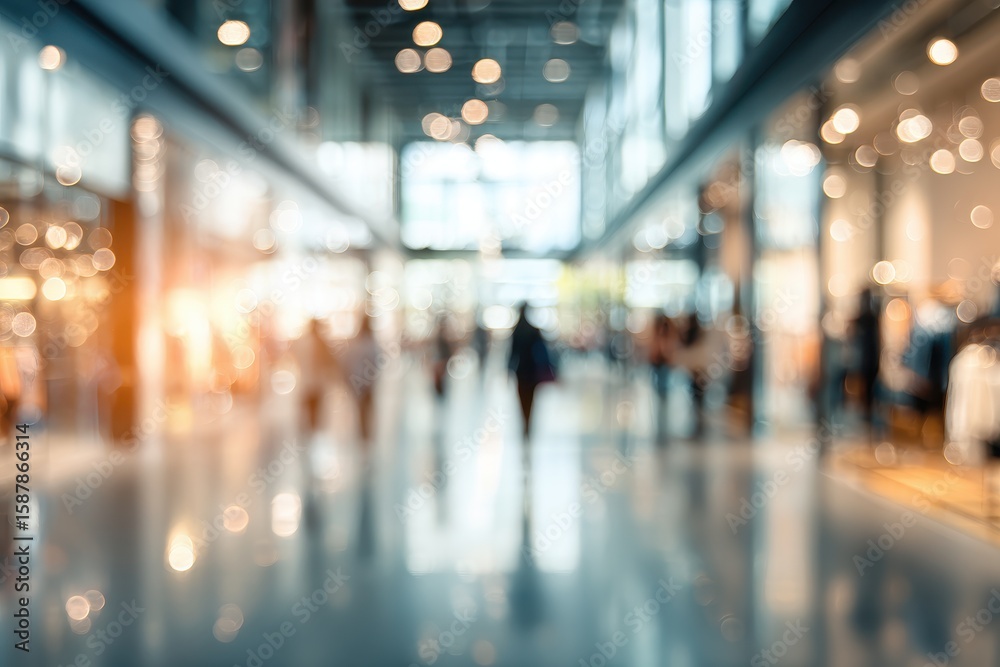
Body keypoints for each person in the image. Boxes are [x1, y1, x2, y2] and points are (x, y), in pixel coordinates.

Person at [508, 303, 554, 440]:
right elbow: (543, 352)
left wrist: (508, 370)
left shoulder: (516, 331)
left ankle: (525, 424)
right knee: (531, 401)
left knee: (522, 400)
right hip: (532, 372)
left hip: (520, 372)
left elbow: (512, 354)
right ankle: (528, 424)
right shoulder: (534, 331)